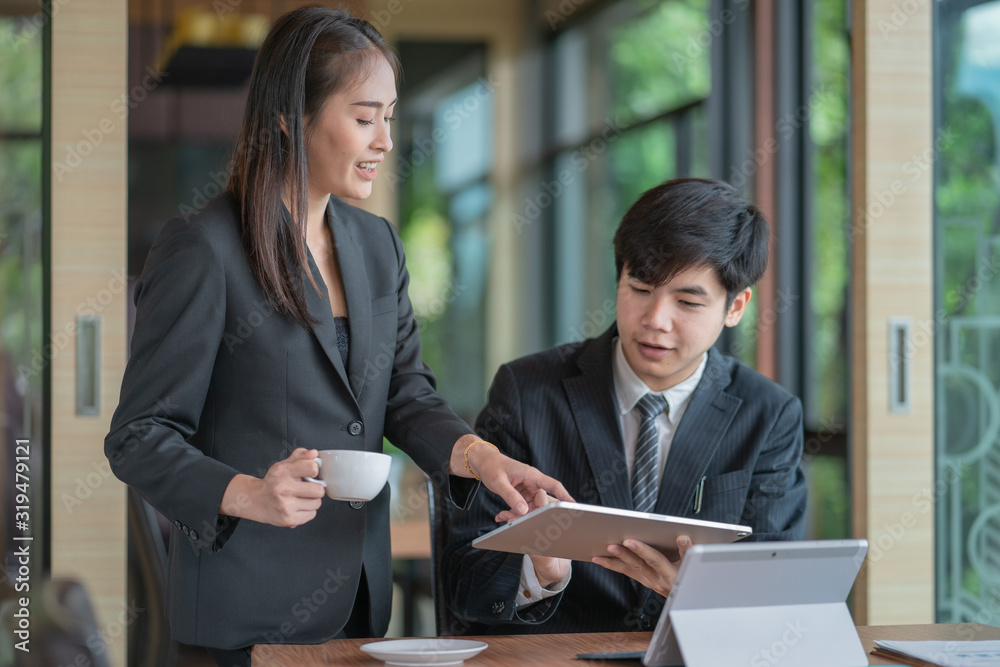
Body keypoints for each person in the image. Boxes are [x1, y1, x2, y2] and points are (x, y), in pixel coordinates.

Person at [104, 7, 569, 665]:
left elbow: (406, 394)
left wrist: (479, 456)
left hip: (358, 604)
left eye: (390, 116)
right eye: (363, 116)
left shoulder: (376, 244)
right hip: (244, 623)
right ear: (292, 117)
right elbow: (137, 436)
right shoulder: (205, 248)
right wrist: (248, 493)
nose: (384, 139)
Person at [442, 177, 807, 634]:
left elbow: (777, 593)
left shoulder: (768, 415)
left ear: (736, 308)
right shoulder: (527, 390)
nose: (656, 320)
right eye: (640, 289)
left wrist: (698, 595)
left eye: (688, 301)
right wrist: (540, 576)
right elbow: (461, 582)